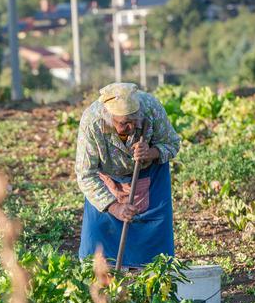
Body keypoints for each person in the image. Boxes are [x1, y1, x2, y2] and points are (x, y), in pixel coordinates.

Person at [74, 82, 181, 267]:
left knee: (155, 243)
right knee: (98, 242)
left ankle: (153, 278)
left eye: (135, 121)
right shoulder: (92, 122)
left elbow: (172, 144)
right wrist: (114, 207)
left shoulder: (151, 108)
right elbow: (85, 174)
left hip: (149, 175)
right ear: (109, 118)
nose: (131, 127)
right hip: (106, 179)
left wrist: (152, 152)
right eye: (124, 123)